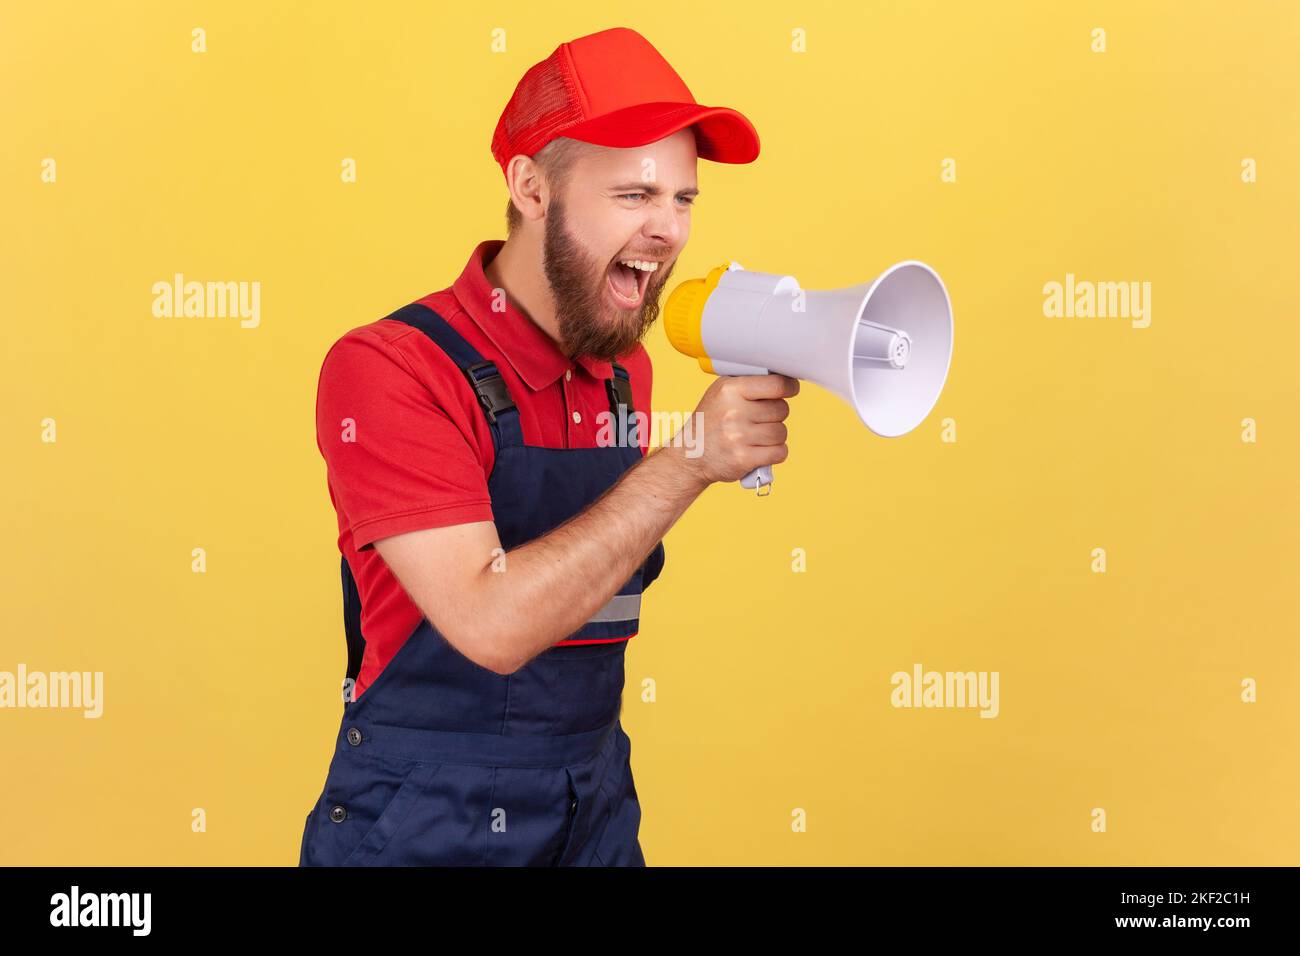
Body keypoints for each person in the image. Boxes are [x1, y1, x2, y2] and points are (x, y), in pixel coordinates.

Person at [299, 25, 797, 867]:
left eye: (683, 200)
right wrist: (689, 461)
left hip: (592, 801)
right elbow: (491, 624)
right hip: (426, 817)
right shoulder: (389, 369)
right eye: (634, 196)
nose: (669, 231)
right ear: (531, 187)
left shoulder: (622, 372)